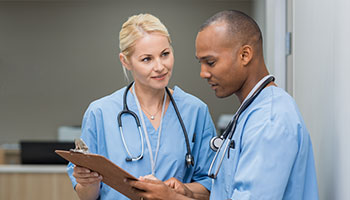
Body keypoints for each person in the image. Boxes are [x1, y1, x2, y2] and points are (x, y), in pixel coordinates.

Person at [66, 13, 215, 200]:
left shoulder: (195, 111)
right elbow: (87, 197)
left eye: (165, 54)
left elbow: (210, 187)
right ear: (125, 61)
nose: (160, 66)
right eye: (147, 59)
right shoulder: (100, 113)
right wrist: (89, 182)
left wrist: (179, 190)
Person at [194, 10, 319, 199]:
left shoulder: (270, 119)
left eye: (210, 62)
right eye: (200, 63)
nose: (203, 73)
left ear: (245, 55)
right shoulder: (252, 111)